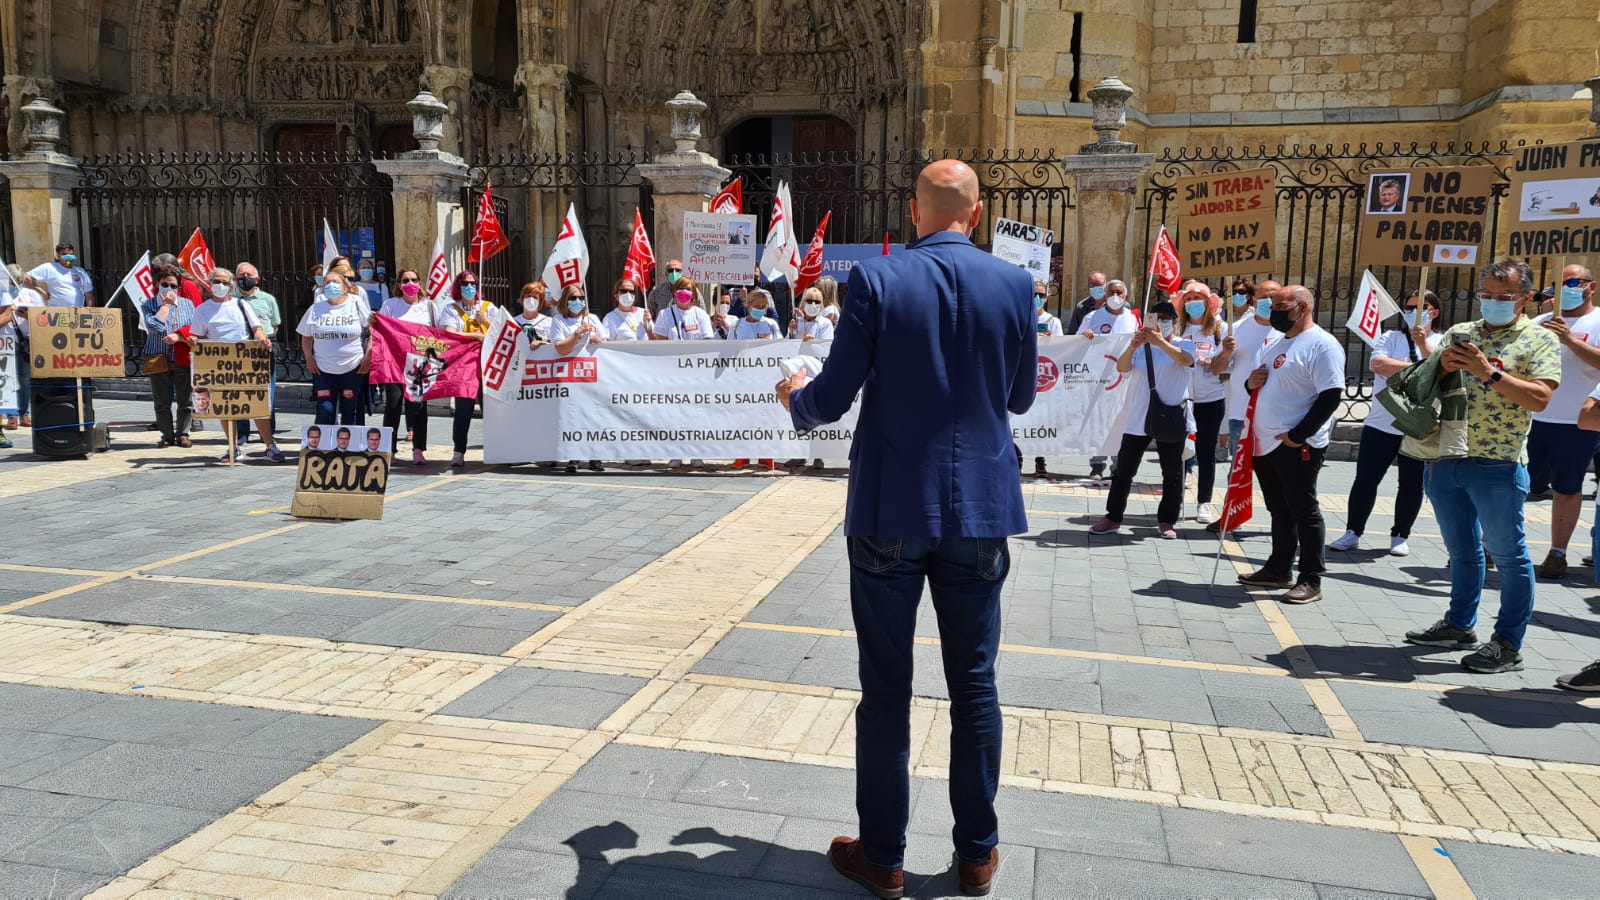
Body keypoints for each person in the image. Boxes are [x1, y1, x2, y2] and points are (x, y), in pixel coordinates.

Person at [776, 159, 1035, 899]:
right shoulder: (1015, 285)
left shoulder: (880, 280)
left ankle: (884, 857)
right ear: (976, 213)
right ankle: (977, 855)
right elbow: (1018, 397)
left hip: (893, 503)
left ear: (915, 211)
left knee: (886, 688)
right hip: (981, 507)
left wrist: (795, 396)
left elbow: (828, 400)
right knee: (975, 686)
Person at [1402, 259, 1561, 674]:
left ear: (1525, 298)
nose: (1491, 303)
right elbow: (1423, 384)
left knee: (1509, 556)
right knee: (1461, 552)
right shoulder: (1460, 333)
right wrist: (1437, 367)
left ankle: (1507, 643)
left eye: (1502, 297)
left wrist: (1486, 373)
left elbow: (1540, 399)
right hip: (1446, 455)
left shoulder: (1538, 340)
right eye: (1485, 295)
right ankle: (1458, 624)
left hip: (1499, 462)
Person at [1237, 284, 1345, 605]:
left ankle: (1311, 578)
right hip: (1266, 444)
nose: (1274, 312)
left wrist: (1298, 435)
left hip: (1296, 444)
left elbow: (1330, 396)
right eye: (1272, 306)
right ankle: (1278, 567)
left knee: (1304, 511)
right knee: (1279, 509)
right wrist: (1248, 382)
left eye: (1281, 306)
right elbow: (1260, 384)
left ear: (1302, 308)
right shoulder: (1278, 342)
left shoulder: (1322, 345)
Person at [1329, 289, 1440, 557]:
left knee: (1411, 483)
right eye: (1409, 307)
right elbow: (1378, 364)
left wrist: (1424, 348)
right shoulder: (1390, 337)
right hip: (1381, 423)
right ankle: (1353, 531)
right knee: (1366, 480)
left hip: (1415, 426)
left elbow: (1441, 369)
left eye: (1420, 307)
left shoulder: (1441, 340)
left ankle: (1401, 535)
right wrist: (1419, 369)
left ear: (1433, 312)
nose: (1412, 312)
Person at [1089, 302, 1196, 538]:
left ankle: (1167, 521)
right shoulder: (1141, 347)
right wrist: (1133, 346)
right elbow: (1122, 367)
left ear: (1176, 322)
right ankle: (1113, 516)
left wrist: (1161, 342)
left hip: (1169, 417)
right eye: (1157, 317)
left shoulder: (1183, 344)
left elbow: (1186, 360)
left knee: (1172, 473)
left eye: (1167, 317)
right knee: (1124, 471)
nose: (1162, 321)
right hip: (1138, 419)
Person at [1524, 265, 1600, 579]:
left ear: (1590, 287)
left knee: (1567, 489)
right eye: (1560, 283)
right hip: (1534, 419)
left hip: (1576, 425)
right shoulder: (1540, 321)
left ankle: (1558, 553)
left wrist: (1570, 340)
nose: (1566, 288)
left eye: (1573, 282)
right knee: (1513, 486)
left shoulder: (1596, 320)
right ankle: (1490, 546)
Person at [1210, 279, 1283, 536]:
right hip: (1241, 414)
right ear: (1255, 300)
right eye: (1264, 296)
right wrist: (1226, 353)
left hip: (1278, 416)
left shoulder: (1289, 331)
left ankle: (1282, 519)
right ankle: (1230, 514)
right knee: (1238, 469)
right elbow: (1216, 369)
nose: (1268, 301)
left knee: (1278, 472)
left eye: (1274, 297)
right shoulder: (1237, 329)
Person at [186, 267, 282, 461]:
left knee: (256, 404)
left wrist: (263, 339)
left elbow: (257, 329)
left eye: (224, 282)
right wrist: (192, 341)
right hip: (219, 365)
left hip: (246, 363)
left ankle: (270, 445)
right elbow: (196, 335)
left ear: (231, 286)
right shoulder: (202, 309)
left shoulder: (240, 305)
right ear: (210, 283)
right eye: (216, 281)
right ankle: (233, 446)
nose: (219, 285)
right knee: (225, 405)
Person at [1175, 283, 1231, 523]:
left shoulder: (1220, 328)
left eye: (1199, 298)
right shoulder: (1177, 327)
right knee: (1177, 452)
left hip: (1211, 398)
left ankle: (1204, 503)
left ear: (1208, 302)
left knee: (1206, 453)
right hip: (1181, 398)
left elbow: (1223, 367)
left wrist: (1218, 358)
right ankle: (1174, 500)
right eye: (1189, 298)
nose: (1194, 302)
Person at [298, 269, 371, 427]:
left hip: (353, 368)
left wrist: (368, 358)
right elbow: (306, 337)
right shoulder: (316, 308)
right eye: (327, 283)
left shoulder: (356, 303)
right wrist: (309, 359)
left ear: (345, 287)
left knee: (350, 410)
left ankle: (350, 448)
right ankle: (325, 448)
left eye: (335, 282)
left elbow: (373, 332)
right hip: (323, 369)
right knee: (325, 409)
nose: (331, 286)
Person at [1080, 278, 1138, 479]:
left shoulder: (1133, 319)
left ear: (1126, 296)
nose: (1115, 297)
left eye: (1119, 293)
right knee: (1097, 421)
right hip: (1098, 379)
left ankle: (1118, 467)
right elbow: (1077, 343)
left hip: (1124, 378)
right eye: (1111, 292)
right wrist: (1085, 336)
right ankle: (1097, 465)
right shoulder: (1092, 317)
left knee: (1120, 423)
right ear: (1105, 295)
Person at [378, 267, 436, 464]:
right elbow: (380, 331)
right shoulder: (390, 305)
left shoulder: (429, 307)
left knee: (418, 407)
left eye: (413, 280)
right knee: (393, 406)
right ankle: (389, 449)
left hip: (419, 366)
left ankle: (418, 449)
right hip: (394, 363)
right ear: (399, 285)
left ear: (419, 283)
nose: (409, 284)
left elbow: (438, 334)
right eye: (405, 280)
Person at [548, 284, 605, 474]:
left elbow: (607, 345)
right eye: (573, 298)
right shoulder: (558, 321)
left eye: (581, 297)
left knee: (593, 416)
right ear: (565, 300)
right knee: (573, 417)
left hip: (592, 374)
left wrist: (599, 341)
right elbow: (561, 348)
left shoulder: (593, 319)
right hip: (569, 375)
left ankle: (595, 456)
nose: (577, 301)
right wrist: (578, 333)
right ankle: (574, 456)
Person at [438, 272, 490, 469]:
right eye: (465, 284)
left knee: (492, 413)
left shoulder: (487, 308)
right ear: (458, 287)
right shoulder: (450, 310)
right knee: (463, 411)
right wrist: (474, 336)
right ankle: (458, 451)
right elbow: (449, 334)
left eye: (473, 284)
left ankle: (495, 450)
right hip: (464, 369)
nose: (470, 287)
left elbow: (500, 332)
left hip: (486, 369)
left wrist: (484, 321)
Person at [141, 268, 197, 449]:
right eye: (165, 285)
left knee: (185, 400)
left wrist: (180, 337)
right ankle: (166, 435)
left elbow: (194, 328)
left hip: (181, 357)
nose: (169, 288)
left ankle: (183, 434)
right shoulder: (149, 304)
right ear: (157, 285)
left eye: (173, 285)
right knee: (161, 400)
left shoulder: (188, 304)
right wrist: (165, 305)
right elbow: (154, 327)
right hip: (158, 357)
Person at [728, 288, 781, 471]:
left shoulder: (771, 325)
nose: (760, 309)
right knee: (742, 417)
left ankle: (766, 455)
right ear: (748, 306)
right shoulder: (737, 325)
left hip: (765, 378)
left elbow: (780, 348)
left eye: (763, 307)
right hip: (743, 377)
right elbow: (728, 349)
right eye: (757, 306)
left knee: (765, 417)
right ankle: (742, 456)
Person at [234, 261, 280, 446]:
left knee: (268, 392)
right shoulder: (232, 301)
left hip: (263, 347)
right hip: (241, 348)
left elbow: (275, 325)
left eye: (248, 275)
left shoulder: (268, 299)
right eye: (241, 275)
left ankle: (268, 433)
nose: (245, 278)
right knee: (240, 391)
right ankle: (242, 432)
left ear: (257, 279)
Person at [5, 266, 45, 429]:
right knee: (7, 380)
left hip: (25, 341)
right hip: (5, 340)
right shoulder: (2, 295)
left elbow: (43, 318)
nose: (15, 283)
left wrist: (27, 315)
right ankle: (11, 416)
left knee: (25, 378)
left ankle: (25, 413)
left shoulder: (31, 295)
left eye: (18, 279)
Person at [30, 243, 95, 307]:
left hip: (76, 313)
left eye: (71, 255)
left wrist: (88, 310)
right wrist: (43, 292)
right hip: (56, 312)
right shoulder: (49, 267)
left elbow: (88, 293)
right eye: (64, 254)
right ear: (58, 255)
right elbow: (26, 278)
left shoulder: (80, 271)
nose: (68, 258)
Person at [1065, 270, 1108, 335]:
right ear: (1088, 286)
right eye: (1092, 284)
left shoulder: (1117, 306)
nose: (1095, 287)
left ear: (1106, 285)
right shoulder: (1081, 306)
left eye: (1099, 284)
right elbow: (1072, 333)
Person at [514, 282, 553, 346]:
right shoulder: (513, 322)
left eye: (535, 297)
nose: (531, 299)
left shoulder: (549, 322)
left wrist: (543, 343)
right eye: (528, 296)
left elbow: (556, 346)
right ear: (522, 298)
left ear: (540, 302)